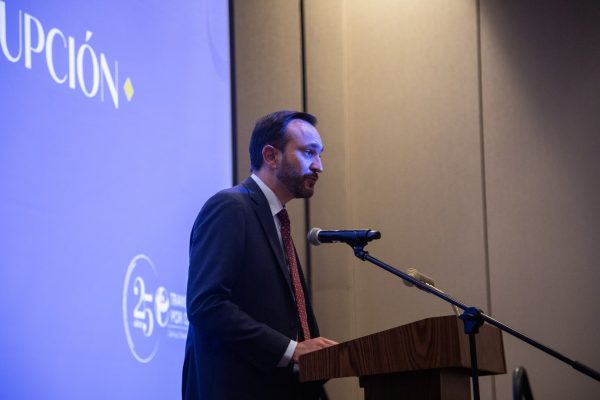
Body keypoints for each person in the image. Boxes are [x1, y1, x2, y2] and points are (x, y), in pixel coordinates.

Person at [182, 110, 337, 399]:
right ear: (271, 156)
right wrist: (291, 350)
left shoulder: (276, 220)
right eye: (308, 153)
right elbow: (206, 305)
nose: (319, 166)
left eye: (320, 155)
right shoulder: (230, 208)